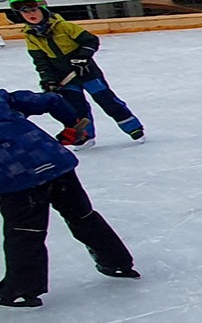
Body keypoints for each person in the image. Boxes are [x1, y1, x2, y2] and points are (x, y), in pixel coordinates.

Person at [0, 80, 137, 307]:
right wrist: (73, 126)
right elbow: (51, 99)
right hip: (54, 161)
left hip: (16, 177)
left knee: (25, 231)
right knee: (82, 215)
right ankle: (117, 262)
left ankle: (22, 289)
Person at [4, 0, 144, 144]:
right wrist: (48, 79)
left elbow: (90, 41)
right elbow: (40, 61)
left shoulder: (64, 26)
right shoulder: (30, 35)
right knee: (77, 108)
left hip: (88, 73)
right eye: (24, 12)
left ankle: (132, 127)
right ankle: (84, 135)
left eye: (33, 10)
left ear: (43, 9)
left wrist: (83, 57)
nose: (30, 14)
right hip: (65, 78)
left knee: (107, 101)